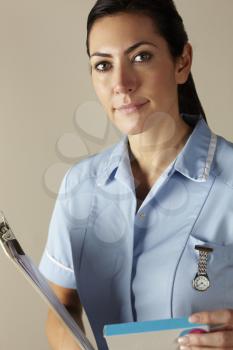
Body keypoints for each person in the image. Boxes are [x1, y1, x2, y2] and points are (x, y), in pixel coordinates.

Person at [39, 0, 233, 349]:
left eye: (141, 57)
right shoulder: (79, 186)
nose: (121, 83)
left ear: (182, 62)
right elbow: (61, 304)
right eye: (103, 65)